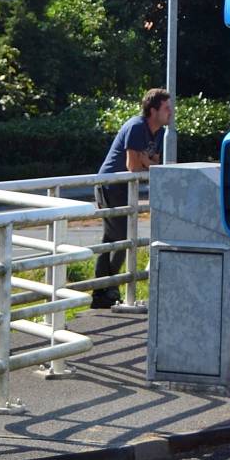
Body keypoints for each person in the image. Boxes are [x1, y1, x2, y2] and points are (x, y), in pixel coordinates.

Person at [92, 87, 173, 310]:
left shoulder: (156, 132)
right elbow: (133, 166)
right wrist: (145, 160)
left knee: (122, 238)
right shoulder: (138, 126)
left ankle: (106, 288)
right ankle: (103, 291)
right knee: (117, 237)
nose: (171, 112)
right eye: (166, 108)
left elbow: (153, 165)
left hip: (126, 187)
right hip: (111, 184)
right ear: (153, 110)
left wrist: (144, 160)